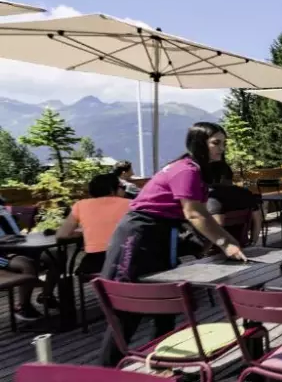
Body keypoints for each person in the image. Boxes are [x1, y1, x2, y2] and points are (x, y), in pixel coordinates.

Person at [98, 122, 247, 367]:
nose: (222, 148)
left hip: (162, 233)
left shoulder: (196, 170)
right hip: (138, 234)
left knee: (165, 302)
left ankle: (163, 364)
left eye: (223, 142)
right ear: (199, 144)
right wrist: (226, 243)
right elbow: (194, 214)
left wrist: (220, 241)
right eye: (216, 143)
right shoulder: (186, 170)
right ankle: (104, 374)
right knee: (128, 307)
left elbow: (199, 214)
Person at [55, 173, 131, 279]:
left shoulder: (80, 205)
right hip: (126, 259)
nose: (124, 190)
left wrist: (84, 233)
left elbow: (62, 235)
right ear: (112, 189)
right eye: (122, 187)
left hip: (95, 263)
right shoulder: (131, 204)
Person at [205, 161, 263, 247]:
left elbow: (218, 224)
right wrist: (253, 242)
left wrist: (205, 251)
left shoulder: (212, 196)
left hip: (219, 248)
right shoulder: (246, 194)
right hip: (241, 244)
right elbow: (258, 219)